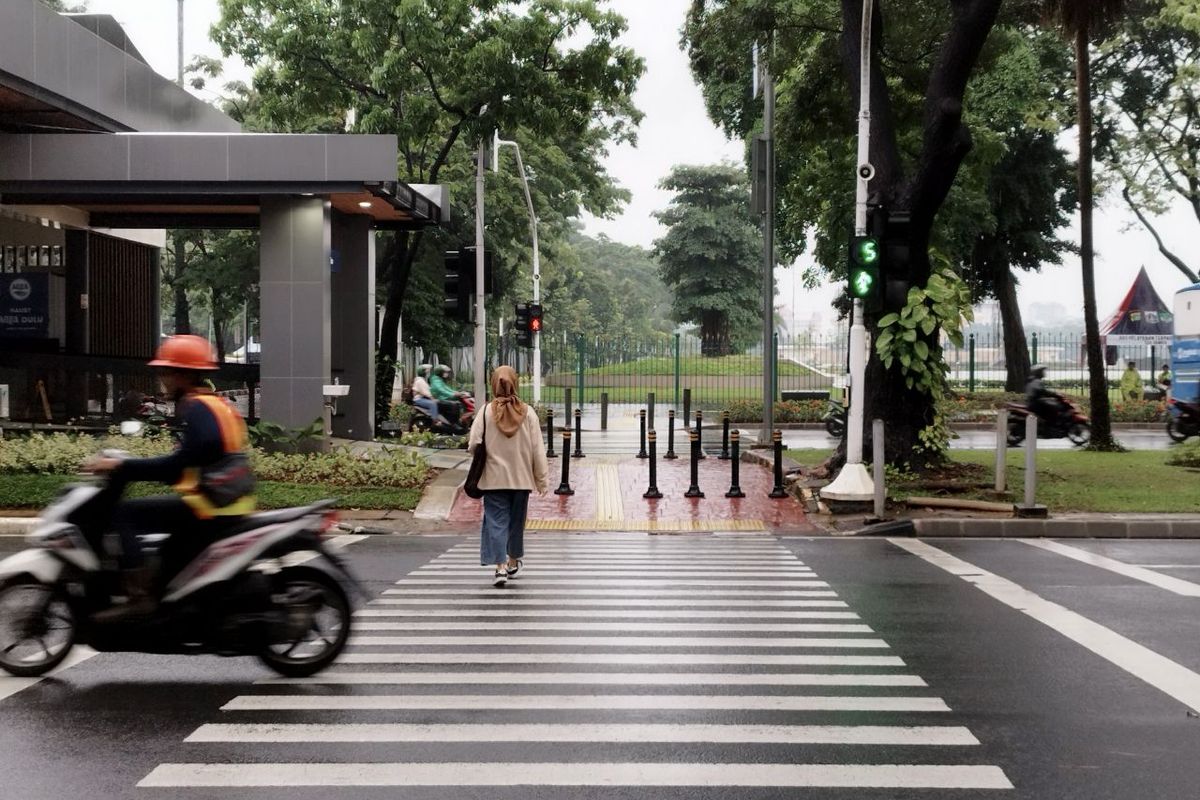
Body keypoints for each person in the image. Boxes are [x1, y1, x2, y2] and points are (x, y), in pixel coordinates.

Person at [86, 335, 256, 620]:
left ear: (184, 375)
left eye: (166, 372)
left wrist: (123, 467)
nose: (162, 378)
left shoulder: (198, 408)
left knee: (124, 514)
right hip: (225, 502)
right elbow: (191, 461)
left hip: (211, 507)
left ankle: (139, 595)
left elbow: (183, 462)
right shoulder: (214, 404)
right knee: (166, 549)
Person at [466, 365, 548, 587]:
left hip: (493, 480)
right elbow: (538, 449)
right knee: (516, 522)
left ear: (494, 383)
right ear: (515, 383)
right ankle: (513, 561)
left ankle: (500, 567)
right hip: (521, 480)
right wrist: (541, 480)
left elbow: (474, 443)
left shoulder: (485, 412)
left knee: (496, 522)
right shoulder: (528, 412)